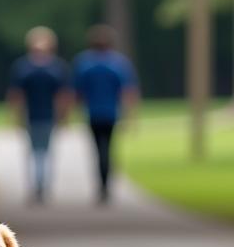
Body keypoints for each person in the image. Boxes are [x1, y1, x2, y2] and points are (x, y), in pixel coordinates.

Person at [73, 24, 139, 203]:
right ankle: (106, 185)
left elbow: (77, 91)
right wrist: (131, 115)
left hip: (93, 114)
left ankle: (101, 184)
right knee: (108, 148)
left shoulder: (85, 63)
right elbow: (127, 91)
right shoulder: (118, 63)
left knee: (97, 149)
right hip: (111, 113)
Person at [8, 26, 71, 203]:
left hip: (36, 115)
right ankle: (42, 185)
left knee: (36, 152)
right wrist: (64, 116)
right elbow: (62, 96)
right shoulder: (56, 67)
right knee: (44, 152)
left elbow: (16, 95)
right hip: (43, 115)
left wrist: (15, 116)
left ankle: (39, 185)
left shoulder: (23, 67)